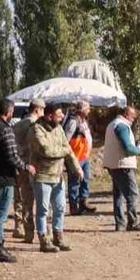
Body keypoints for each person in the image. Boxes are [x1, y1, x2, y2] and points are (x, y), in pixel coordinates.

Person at [0, 99, 36, 263]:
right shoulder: (5, 130)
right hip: (2, 178)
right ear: (9, 112)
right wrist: (26, 166)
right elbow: (11, 156)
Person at [29, 103, 84, 253]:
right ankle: (44, 240)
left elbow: (69, 151)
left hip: (58, 176)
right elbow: (46, 150)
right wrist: (64, 150)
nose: (61, 118)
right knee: (43, 210)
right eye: (59, 115)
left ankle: (58, 237)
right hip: (42, 176)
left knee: (60, 208)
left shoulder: (59, 128)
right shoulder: (36, 129)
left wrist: (77, 168)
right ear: (49, 116)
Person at [103, 106, 140, 232]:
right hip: (123, 165)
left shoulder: (112, 124)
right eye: (133, 116)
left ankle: (120, 223)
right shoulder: (122, 126)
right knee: (132, 194)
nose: (134, 118)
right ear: (126, 114)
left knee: (119, 195)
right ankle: (133, 222)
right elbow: (127, 147)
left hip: (113, 164)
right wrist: (138, 150)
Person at [12, 100, 45, 243]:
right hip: (33, 165)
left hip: (19, 165)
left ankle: (22, 228)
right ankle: (40, 231)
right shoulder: (36, 125)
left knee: (21, 198)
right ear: (38, 110)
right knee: (37, 199)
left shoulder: (17, 124)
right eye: (43, 110)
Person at [65, 100, 97, 215]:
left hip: (84, 156)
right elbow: (66, 140)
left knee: (85, 180)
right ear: (82, 110)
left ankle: (83, 203)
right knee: (74, 182)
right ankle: (73, 207)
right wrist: (69, 157)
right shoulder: (73, 122)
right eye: (88, 108)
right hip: (75, 157)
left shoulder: (83, 121)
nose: (89, 110)